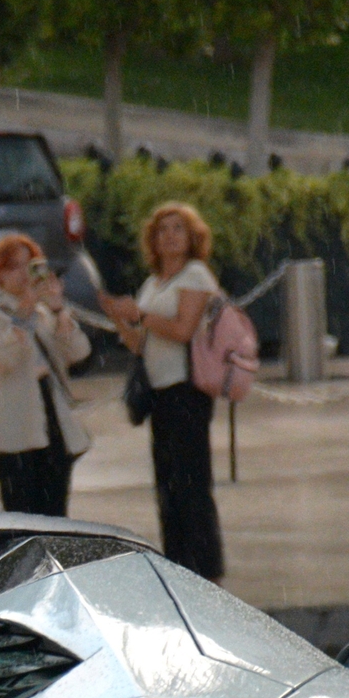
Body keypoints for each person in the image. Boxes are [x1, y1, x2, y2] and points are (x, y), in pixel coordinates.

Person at [104, 202, 225, 577]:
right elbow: (141, 343)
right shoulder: (153, 283)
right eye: (163, 230)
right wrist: (121, 320)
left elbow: (182, 330)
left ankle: (202, 564)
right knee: (167, 483)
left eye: (178, 229)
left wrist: (140, 315)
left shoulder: (195, 275)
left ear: (192, 238)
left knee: (191, 483)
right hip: (160, 391)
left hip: (187, 390)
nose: (170, 236)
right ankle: (177, 561)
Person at [0, 233, 91, 516]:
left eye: (29, 267)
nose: (22, 275)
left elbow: (78, 353)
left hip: (52, 421)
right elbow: (6, 358)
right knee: (21, 515)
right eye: (13, 267)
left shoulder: (44, 314)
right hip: (14, 426)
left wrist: (59, 310)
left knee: (55, 515)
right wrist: (25, 312)